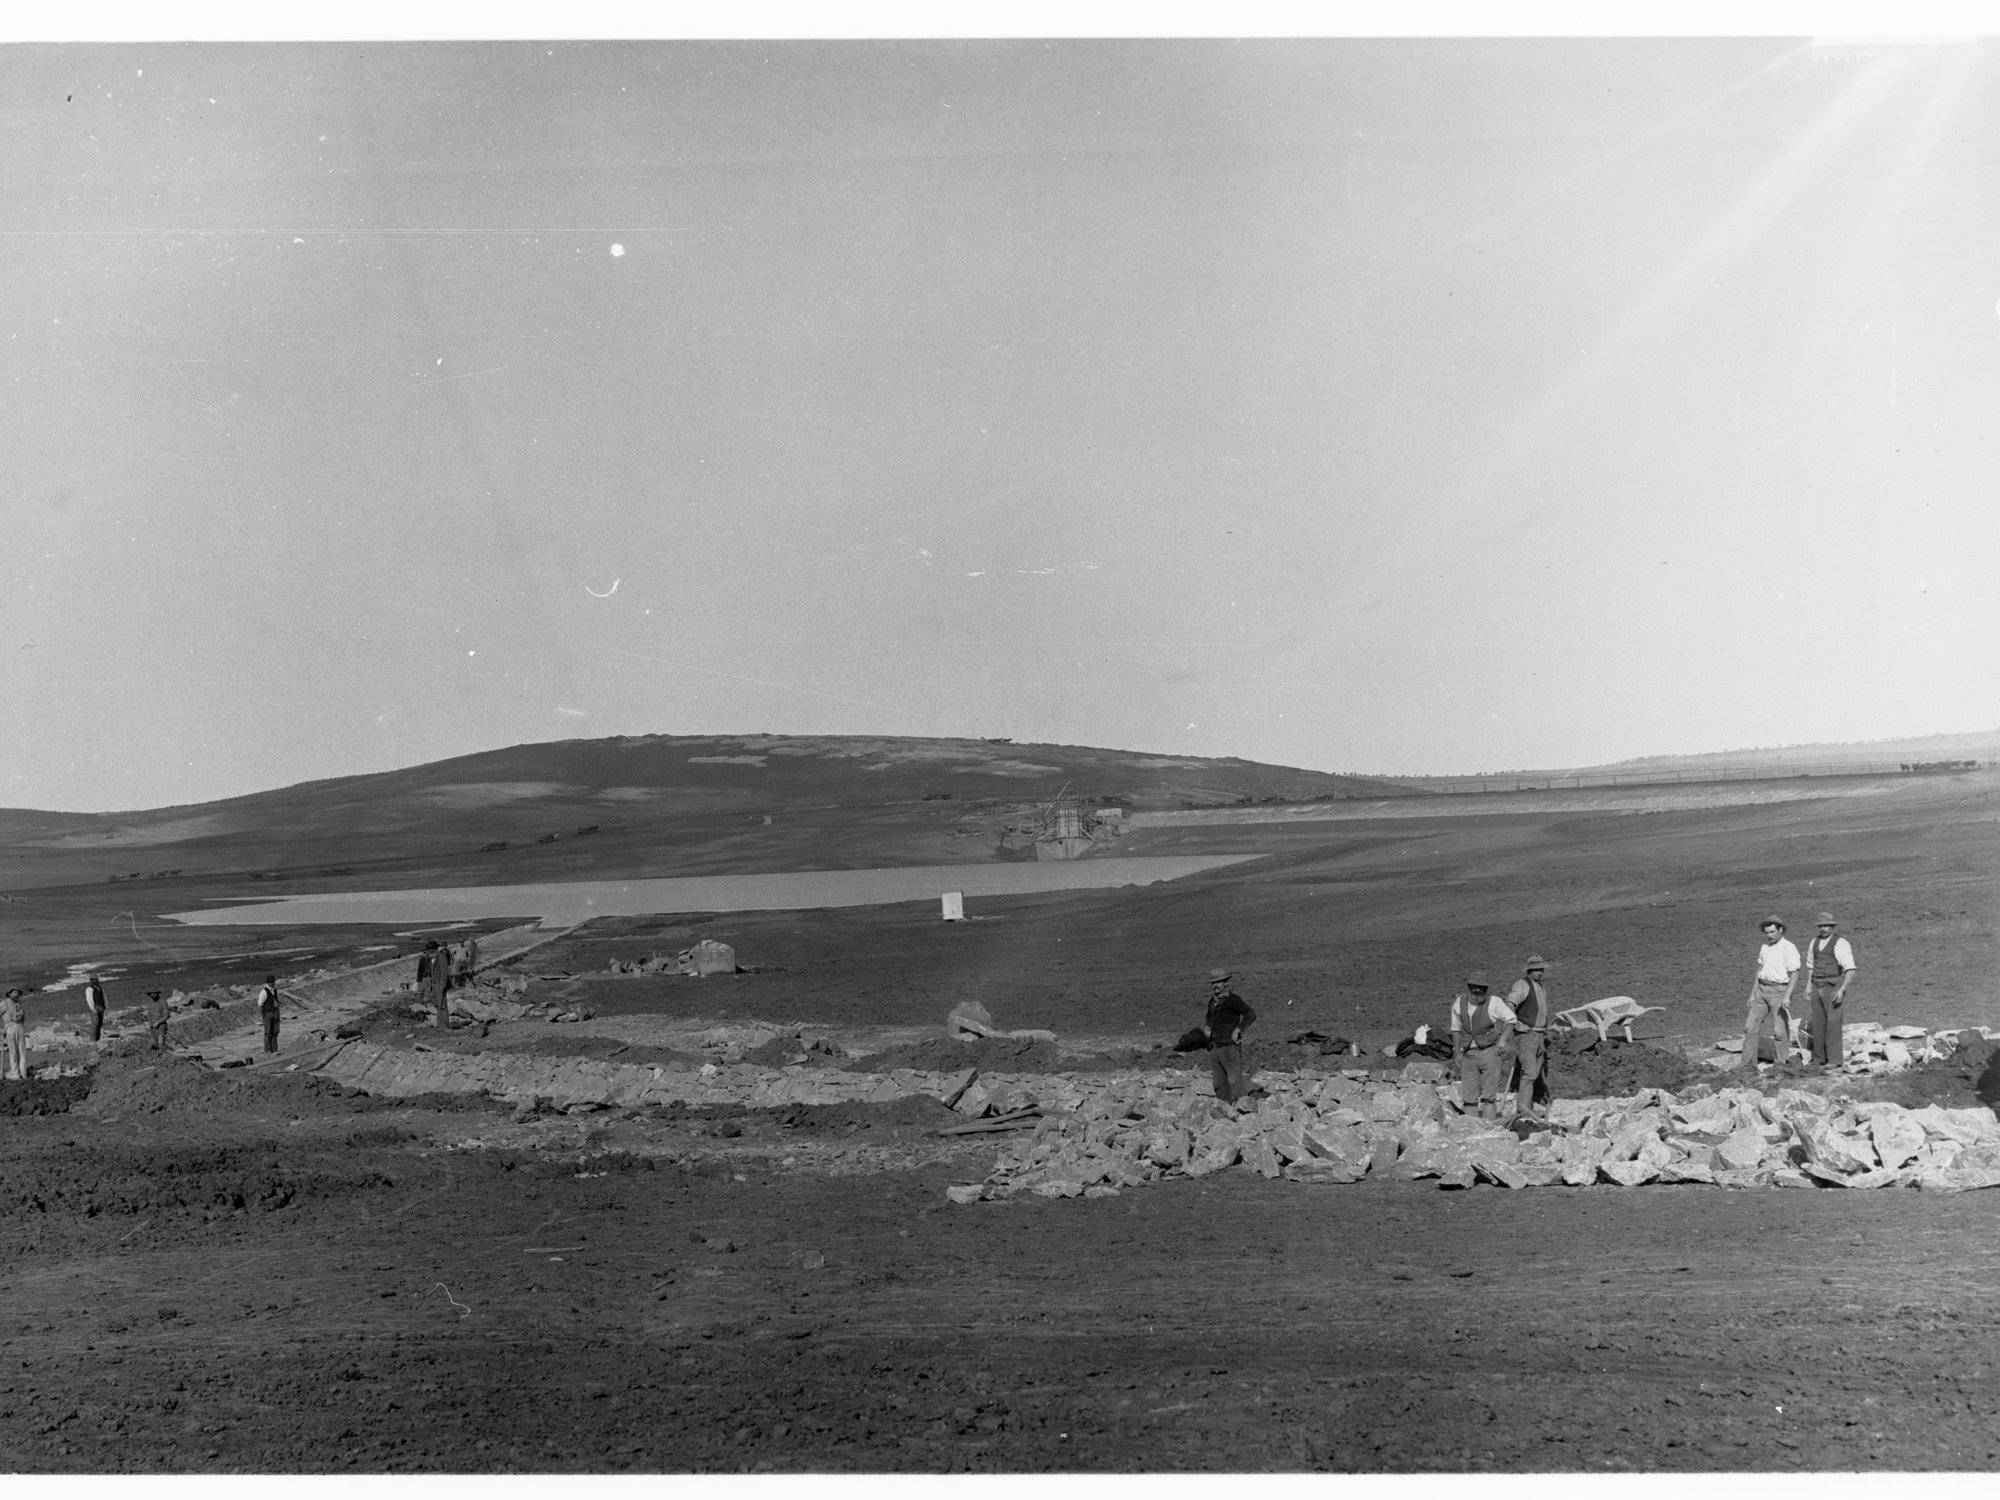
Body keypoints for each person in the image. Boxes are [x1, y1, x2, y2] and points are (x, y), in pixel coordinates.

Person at [1742, 915, 1800, 1072]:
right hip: (1761, 990)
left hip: (1779, 991)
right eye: (1767, 932)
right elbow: (1759, 970)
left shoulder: (1789, 947)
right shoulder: (1764, 947)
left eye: (1772, 932)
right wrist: (1753, 993)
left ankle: (1782, 1064)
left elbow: (1794, 972)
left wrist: (1787, 995)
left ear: (1780, 930)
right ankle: (1748, 1065)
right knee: (1750, 1027)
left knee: (1780, 1030)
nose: (1769, 935)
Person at [1803, 912, 1857, 1070]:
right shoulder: (1814, 942)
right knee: (1817, 1023)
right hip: (1816, 985)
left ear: (1832, 927)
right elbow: (1811, 965)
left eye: (1826, 926)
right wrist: (1808, 985)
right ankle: (1818, 1058)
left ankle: (1834, 1059)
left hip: (1832, 987)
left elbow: (1850, 969)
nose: (1823, 929)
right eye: (1821, 926)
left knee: (1833, 1023)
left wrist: (1841, 990)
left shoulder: (1841, 943)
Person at [1505, 955, 1553, 1118]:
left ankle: (1528, 1107)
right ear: (1529, 970)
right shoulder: (1522, 985)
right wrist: (1516, 1024)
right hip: (1527, 1035)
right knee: (1529, 1073)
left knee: (1534, 1073)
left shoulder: (1539, 987)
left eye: (1542, 969)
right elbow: (1510, 1004)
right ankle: (1523, 1110)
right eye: (1537, 969)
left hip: (1538, 1034)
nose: (1541, 972)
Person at [1202, 968, 1257, 1105]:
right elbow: (1209, 1017)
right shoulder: (1212, 1001)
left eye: (1218, 982)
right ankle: (1224, 1109)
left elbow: (1250, 1014)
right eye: (1213, 983)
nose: (1215, 986)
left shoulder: (1233, 1000)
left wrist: (1238, 1029)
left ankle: (1246, 1109)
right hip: (1214, 1047)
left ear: (1226, 983)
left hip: (1229, 1047)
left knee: (1235, 1081)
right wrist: (1207, 1027)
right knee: (1219, 1083)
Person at [2, 988, 26, 1081]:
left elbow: (23, 1017)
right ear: (9, 994)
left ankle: (23, 1073)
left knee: (22, 1052)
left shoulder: (19, 1004)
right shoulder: (4, 1003)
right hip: (10, 1028)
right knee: (13, 1052)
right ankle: (15, 1074)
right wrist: (1, 1030)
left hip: (19, 1027)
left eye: (18, 993)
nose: (17, 995)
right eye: (15, 993)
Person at [256, 974, 281, 1055]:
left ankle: (274, 1049)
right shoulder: (264, 992)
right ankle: (267, 1050)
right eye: (270, 982)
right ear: (267, 983)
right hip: (268, 1013)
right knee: (268, 1032)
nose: (272, 983)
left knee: (275, 1031)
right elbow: (260, 1004)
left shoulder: (274, 990)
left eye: (273, 982)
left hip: (275, 1012)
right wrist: (263, 1015)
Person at [82, 972, 107, 1043]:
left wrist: (106, 1006)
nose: (95, 981)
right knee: (95, 1024)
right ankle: (92, 1040)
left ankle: (98, 1039)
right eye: (93, 979)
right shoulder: (89, 989)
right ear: (91, 980)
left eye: (96, 979)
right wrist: (92, 1008)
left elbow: (104, 997)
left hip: (101, 1007)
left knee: (99, 1023)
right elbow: (89, 999)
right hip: (95, 1007)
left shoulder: (100, 988)